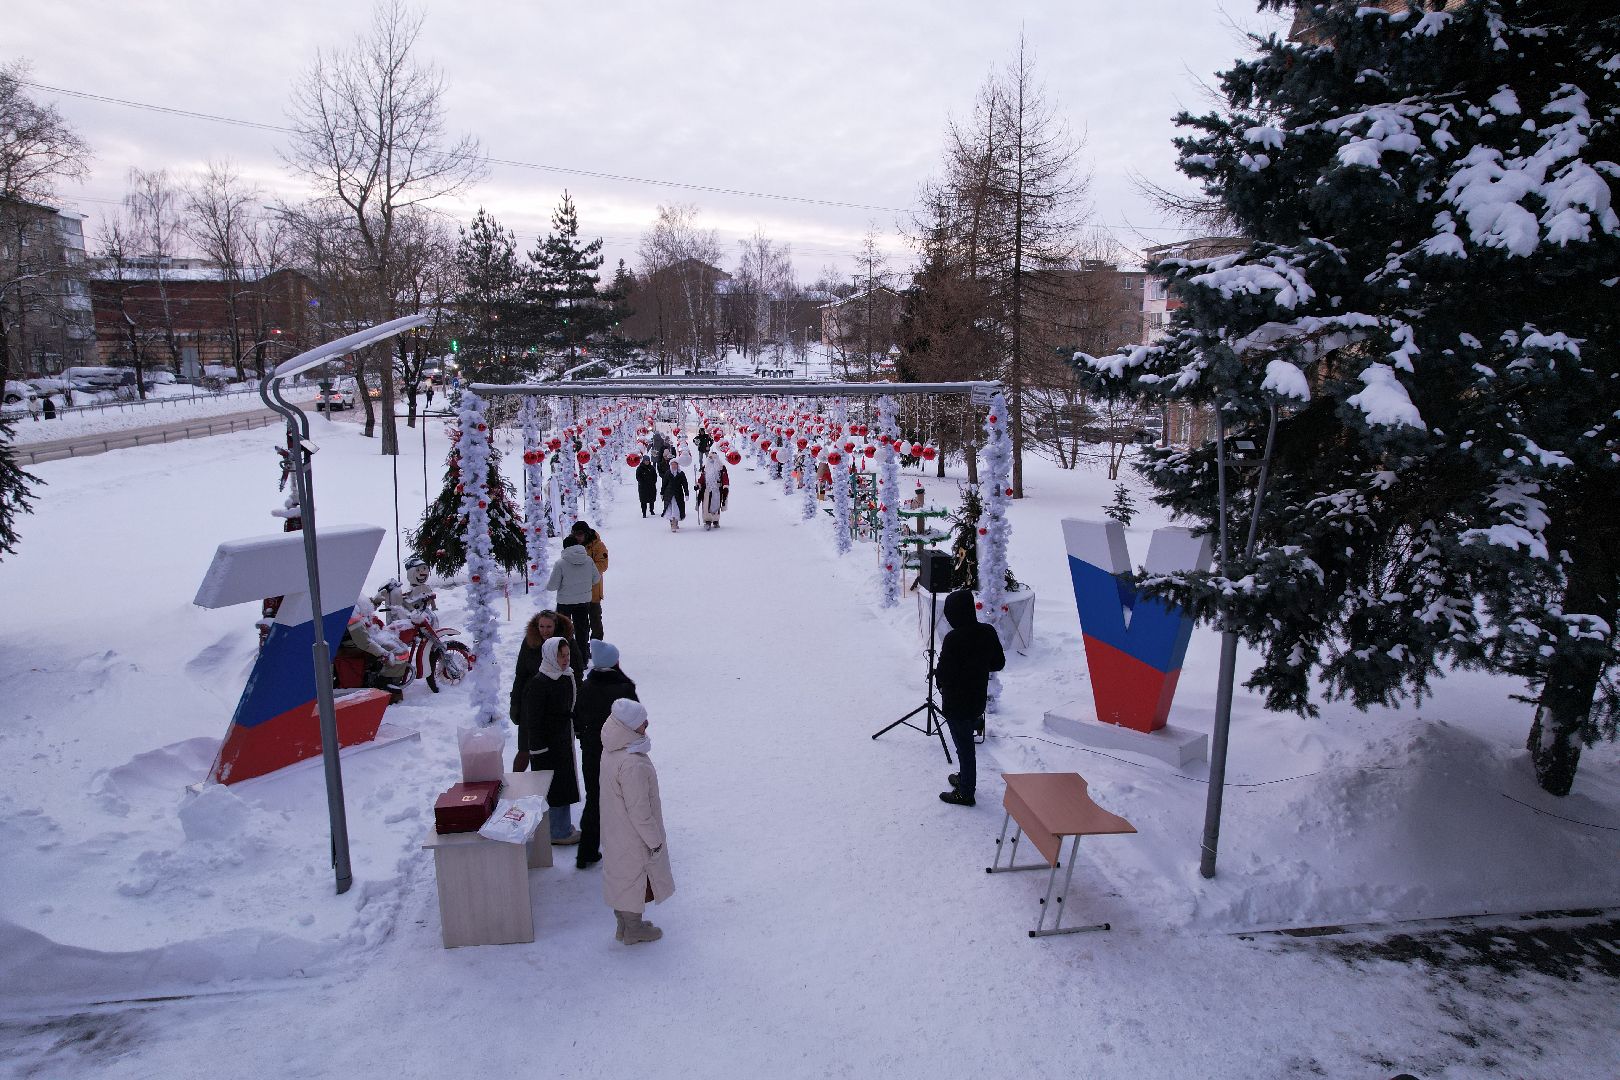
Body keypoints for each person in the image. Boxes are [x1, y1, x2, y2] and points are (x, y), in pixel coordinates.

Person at [600, 698, 674, 944]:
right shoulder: (632, 763)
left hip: (615, 828)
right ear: (629, 726)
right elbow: (640, 811)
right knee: (635, 878)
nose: (647, 724)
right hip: (633, 835)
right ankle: (633, 929)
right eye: (643, 722)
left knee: (621, 877)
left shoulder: (613, 749)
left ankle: (624, 925)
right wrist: (655, 841)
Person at [935, 589, 1005, 807]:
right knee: (966, 742)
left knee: (964, 747)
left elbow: (944, 674)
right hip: (976, 699)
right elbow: (998, 663)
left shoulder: (953, 639)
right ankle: (965, 777)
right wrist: (977, 666)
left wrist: (940, 680)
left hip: (956, 704)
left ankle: (966, 792)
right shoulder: (987, 631)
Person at [573, 641, 637, 870]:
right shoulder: (624, 688)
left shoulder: (586, 687)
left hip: (592, 753)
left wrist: (585, 739)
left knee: (594, 799)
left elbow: (577, 720)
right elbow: (636, 719)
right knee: (626, 799)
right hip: (619, 753)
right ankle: (628, 851)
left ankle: (586, 851)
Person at [520, 636, 583, 845]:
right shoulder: (539, 684)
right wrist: (538, 750)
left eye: (567, 655)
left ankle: (561, 826)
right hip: (548, 748)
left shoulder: (564, 676)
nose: (565, 660)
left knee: (564, 785)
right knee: (556, 788)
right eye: (560, 656)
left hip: (562, 742)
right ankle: (558, 831)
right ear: (549, 656)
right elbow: (533, 721)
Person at [511, 609, 573, 770]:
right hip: (531, 701)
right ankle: (514, 782)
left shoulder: (564, 643)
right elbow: (520, 674)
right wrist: (515, 703)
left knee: (553, 751)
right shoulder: (529, 642)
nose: (545, 631)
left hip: (556, 703)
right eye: (541, 627)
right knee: (525, 748)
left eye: (549, 627)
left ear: (556, 626)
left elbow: (576, 671)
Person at [545, 535, 600, 669]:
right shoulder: (588, 560)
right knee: (582, 631)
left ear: (565, 547)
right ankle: (582, 661)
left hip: (565, 602)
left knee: (562, 631)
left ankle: (562, 659)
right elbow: (596, 579)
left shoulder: (560, 563)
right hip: (583, 602)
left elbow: (552, 586)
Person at [571, 520, 609, 640]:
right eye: (574, 534)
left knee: (595, 620)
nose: (577, 537)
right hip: (577, 592)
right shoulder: (571, 546)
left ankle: (597, 645)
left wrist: (584, 569)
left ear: (586, 534)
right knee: (580, 623)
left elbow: (603, 565)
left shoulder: (598, 546)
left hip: (593, 592)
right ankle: (582, 645)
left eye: (580, 534)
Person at [695, 450, 729, 530]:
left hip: (717, 489)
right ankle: (707, 521)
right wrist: (698, 485)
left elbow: (725, 478)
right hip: (707, 489)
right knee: (706, 505)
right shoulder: (706, 468)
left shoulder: (721, 468)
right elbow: (702, 478)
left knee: (716, 505)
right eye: (710, 458)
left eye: (713, 458)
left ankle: (716, 520)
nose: (711, 460)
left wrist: (725, 486)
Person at [661, 453, 689, 532]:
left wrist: (686, 493)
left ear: (677, 465)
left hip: (678, 494)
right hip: (669, 494)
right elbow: (664, 484)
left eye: (675, 464)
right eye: (672, 465)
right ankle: (672, 523)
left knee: (677, 508)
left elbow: (685, 484)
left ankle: (675, 522)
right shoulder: (668, 473)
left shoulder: (681, 473)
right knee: (670, 509)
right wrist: (662, 493)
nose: (674, 466)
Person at [635, 453, 659, 518]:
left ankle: (651, 510)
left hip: (651, 486)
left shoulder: (652, 468)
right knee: (643, 501)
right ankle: (644, 513)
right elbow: (638, 477)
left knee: (652, 499)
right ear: (643, 461)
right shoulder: (639, 468)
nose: (647, 462)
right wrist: (643, 483)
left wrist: (653, 482)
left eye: (648, 460)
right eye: (646, 460)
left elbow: (655, 476)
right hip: (643, 487)